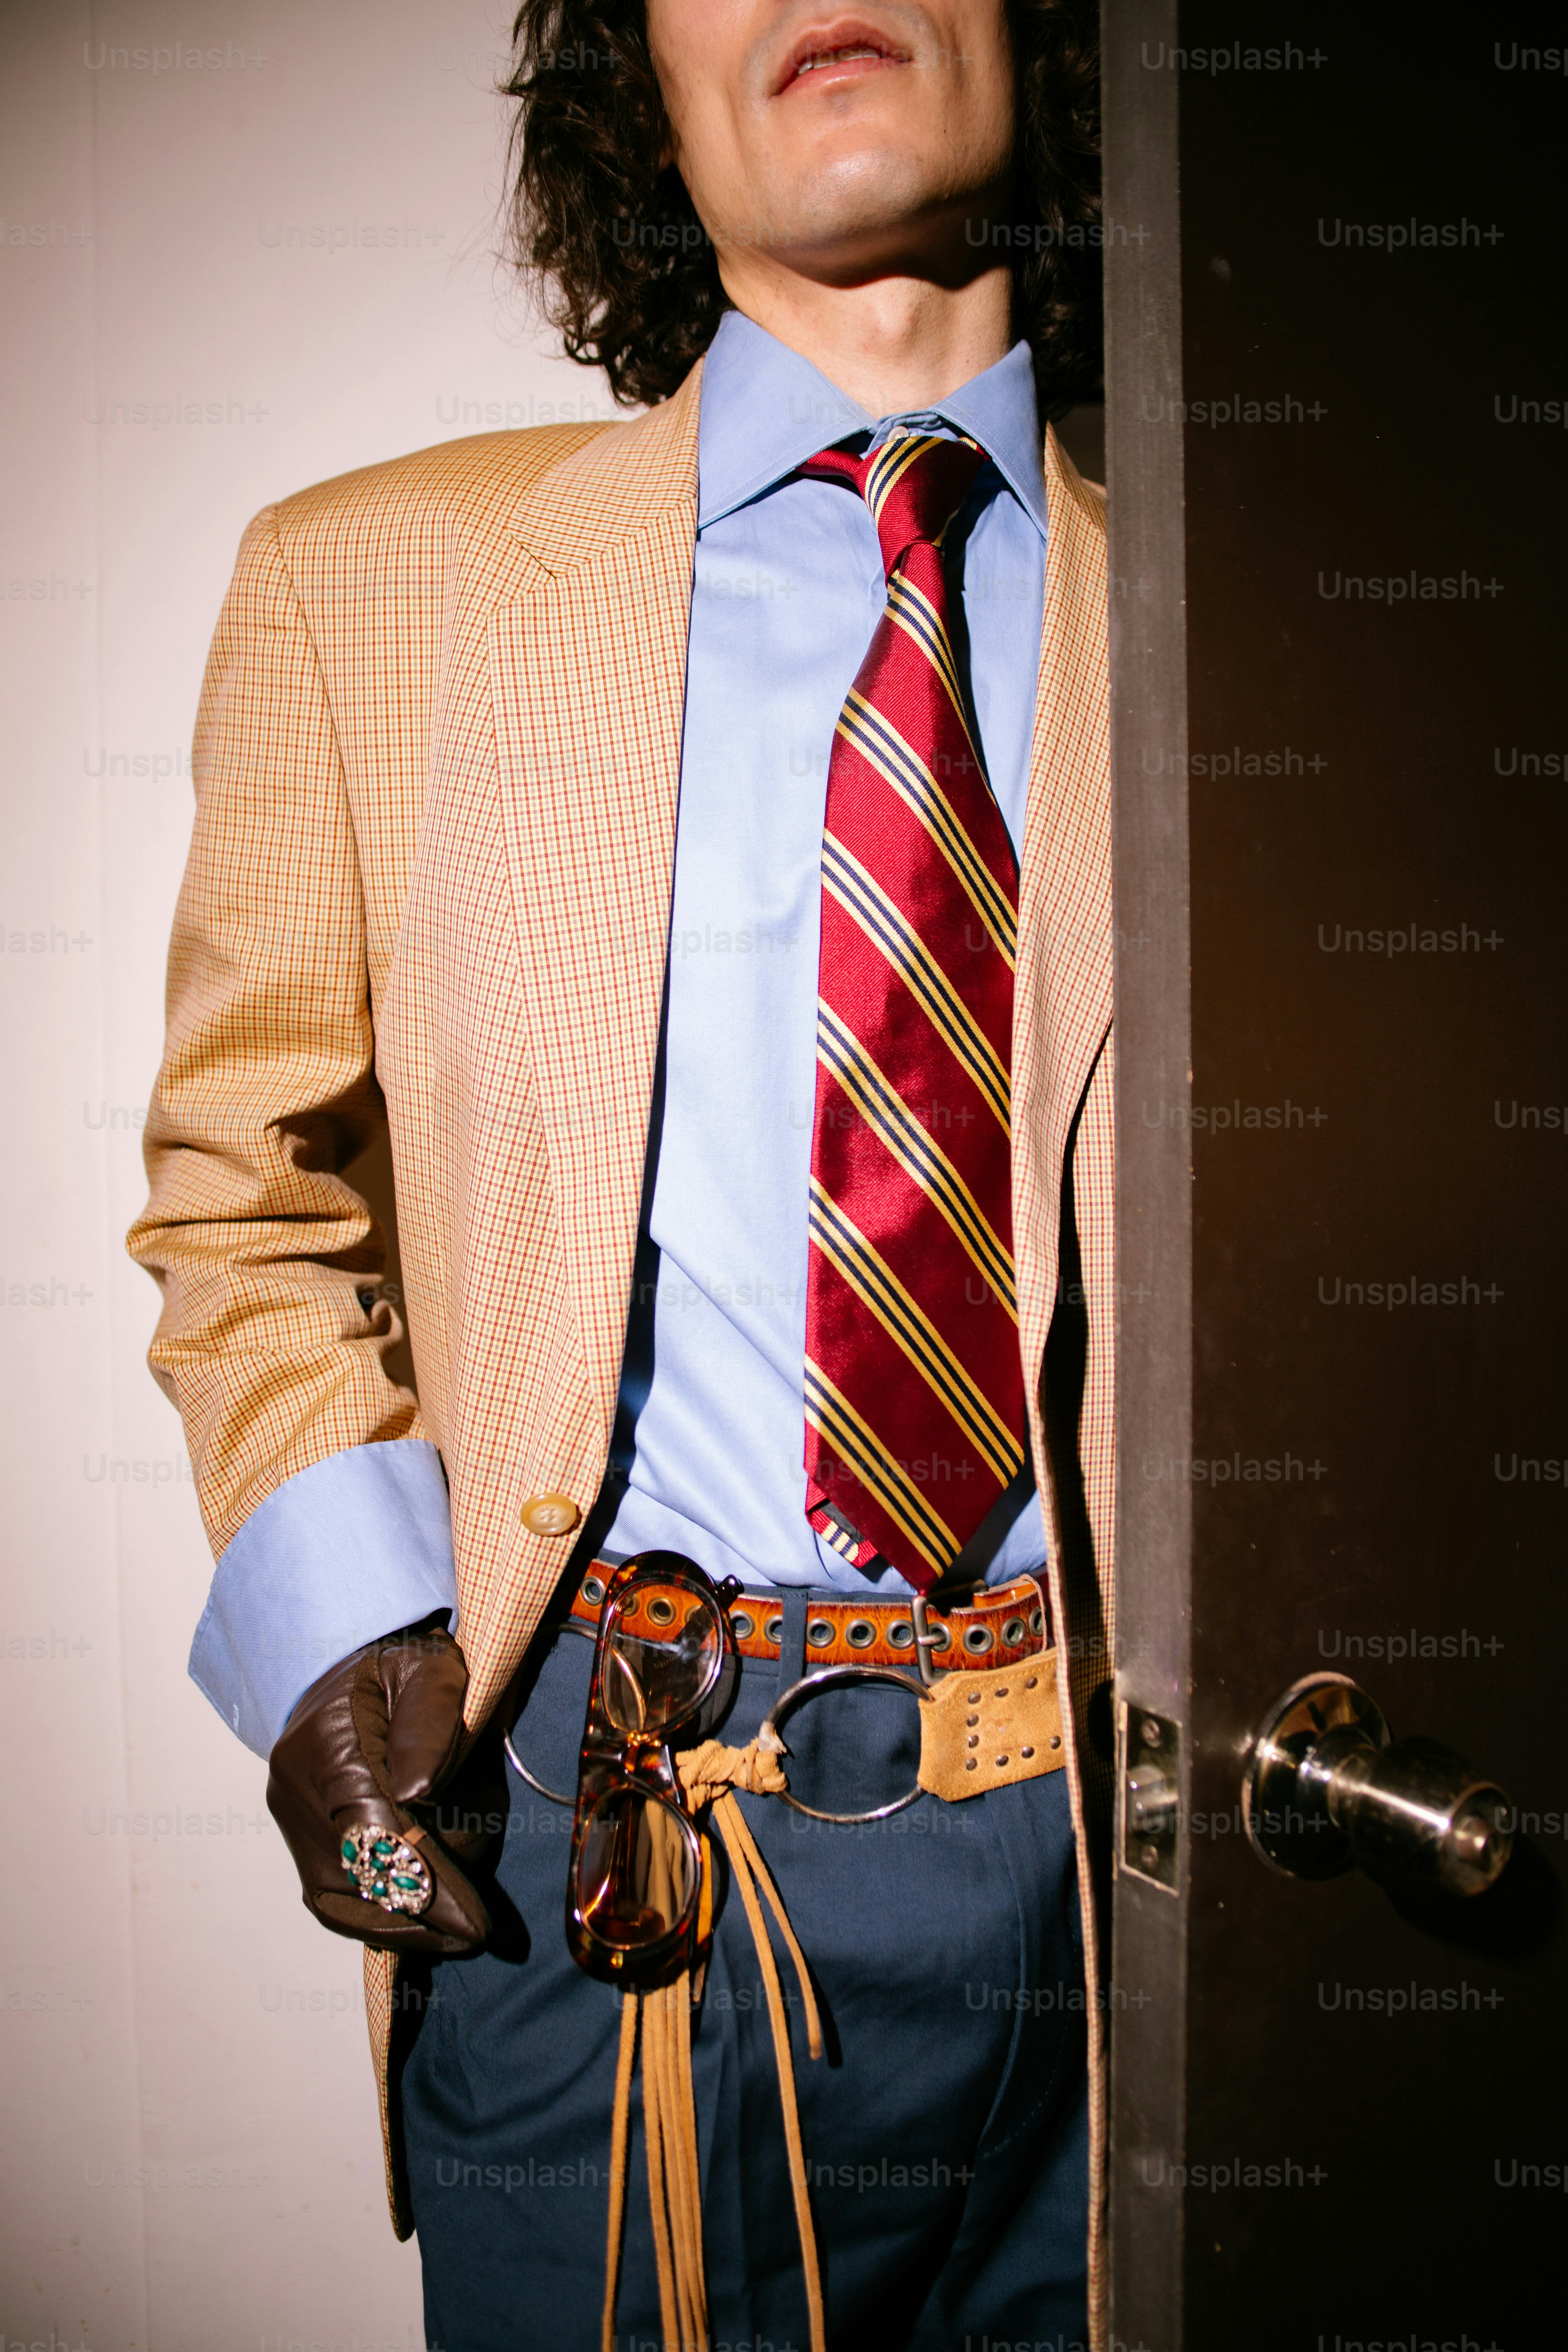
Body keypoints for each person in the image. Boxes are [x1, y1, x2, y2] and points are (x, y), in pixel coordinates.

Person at [128, 0, 1113, 2343]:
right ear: (634, 80)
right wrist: (339, 1627)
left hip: (1144, 1879)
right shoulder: (370, 587)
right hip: (624, 1869)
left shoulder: (1266, 614)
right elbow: (241, 1189)